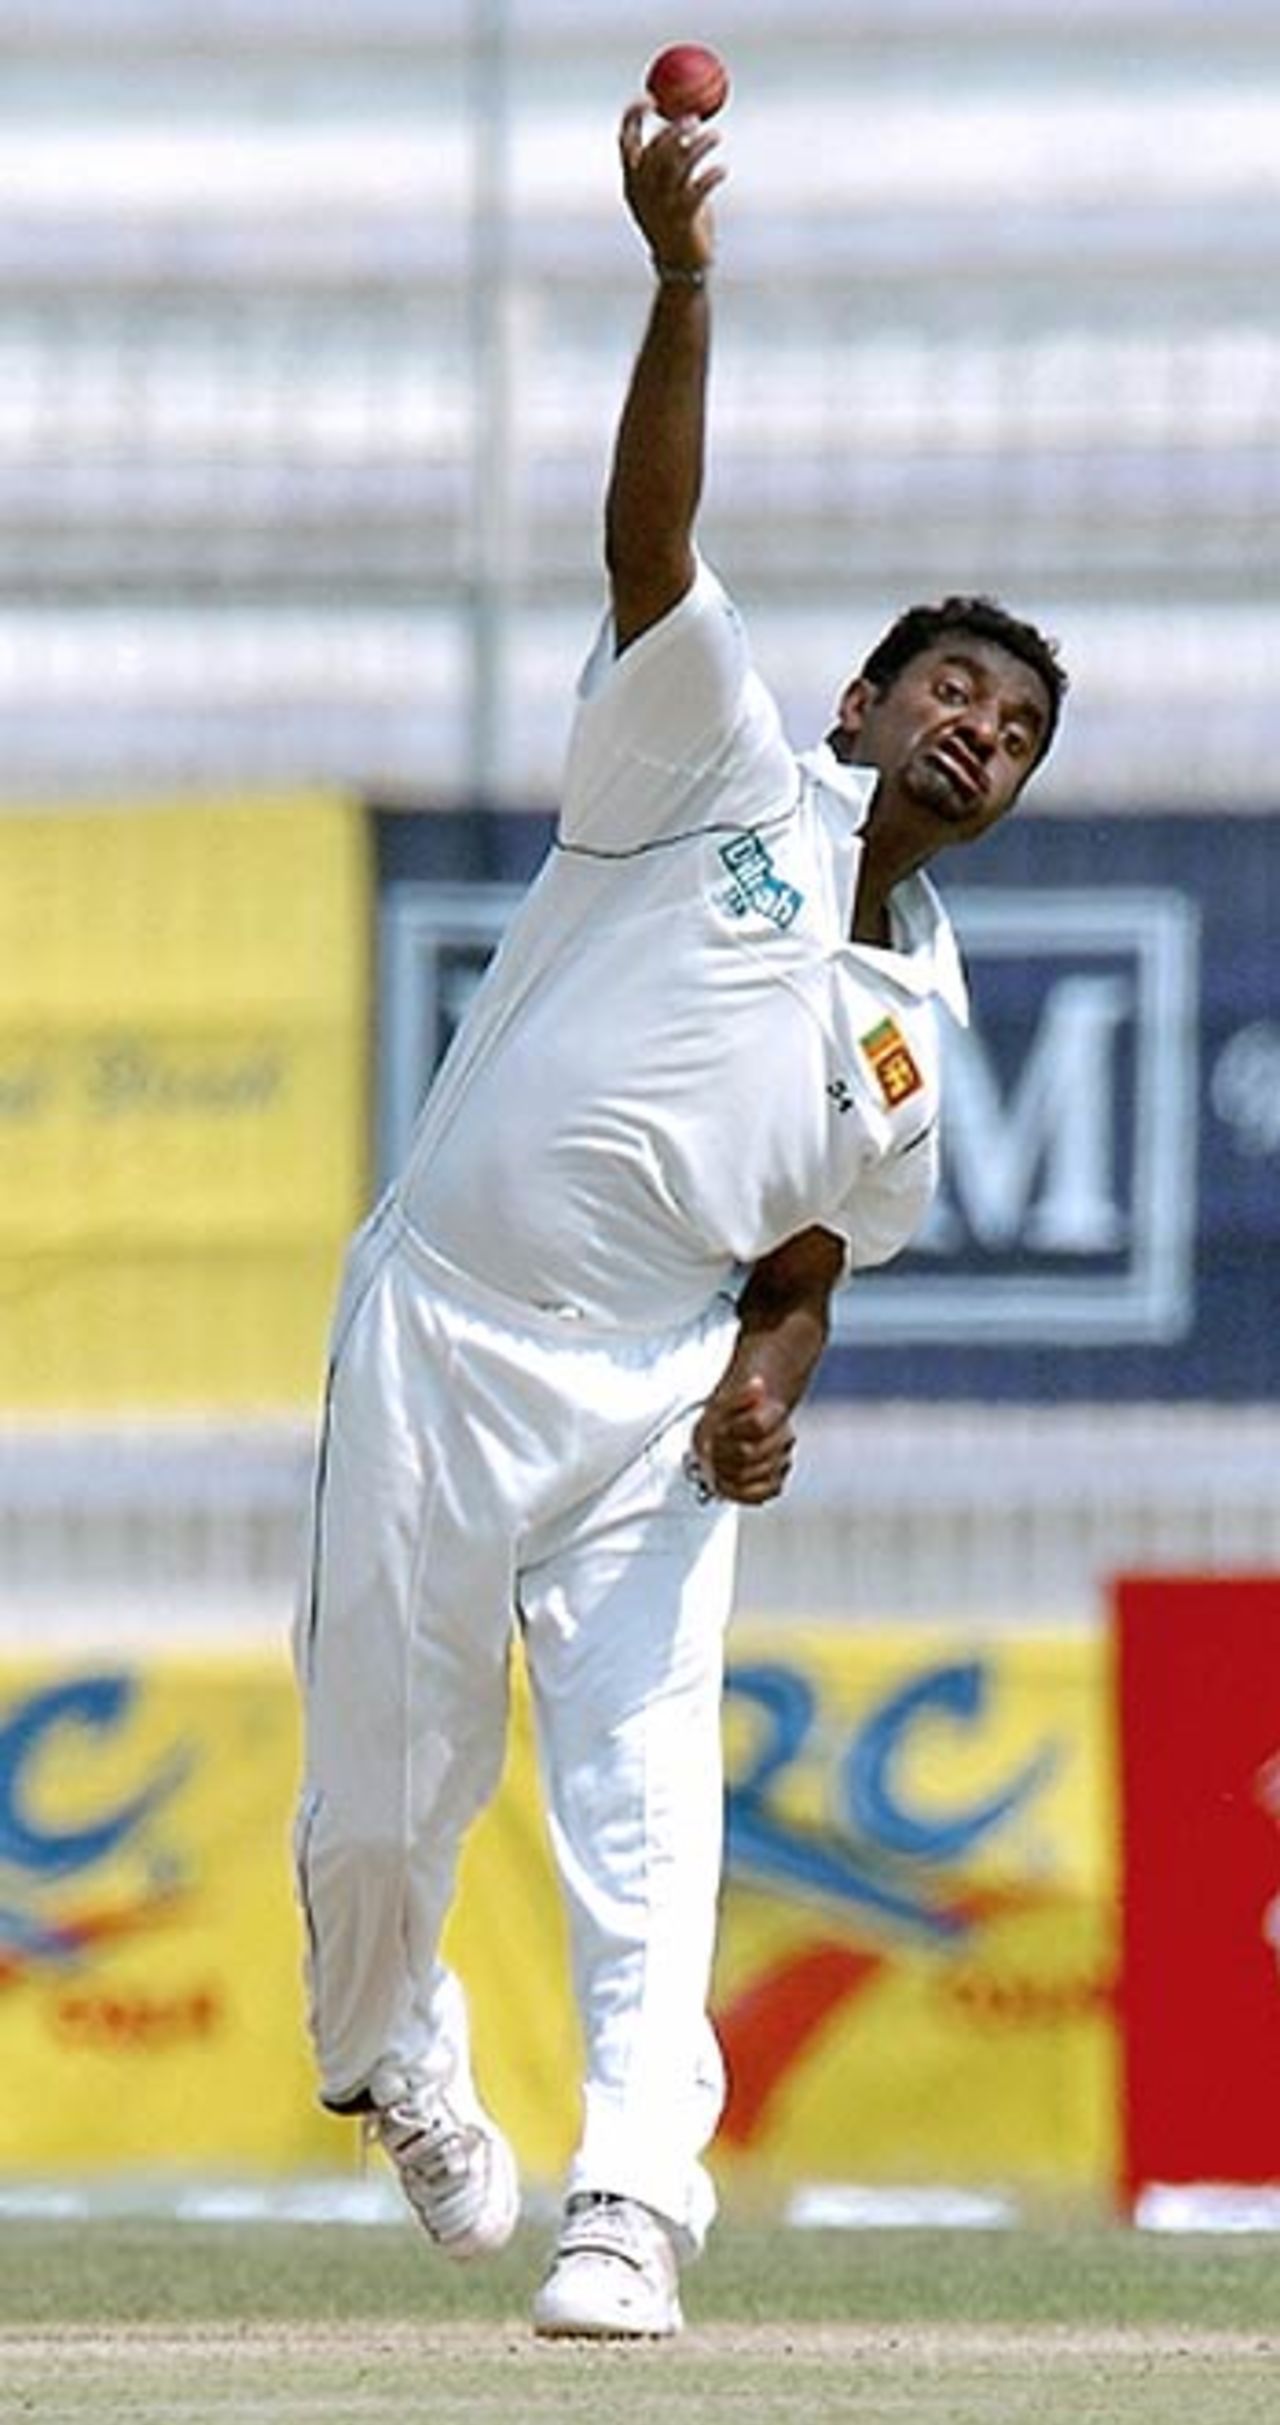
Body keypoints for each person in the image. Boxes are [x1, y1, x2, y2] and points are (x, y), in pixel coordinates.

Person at [292, 95, 1067, 2342]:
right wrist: (680, 279)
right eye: (950, 688)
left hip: (643, 1405)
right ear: (860, 699)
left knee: (647, 1813)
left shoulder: (916, 1023)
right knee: (378, 1811)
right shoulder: (706, 758)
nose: (976, 734)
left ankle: (633, 2194)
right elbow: (650, 539)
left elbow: (815, 1249)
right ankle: (396, 2057)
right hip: (443, 1338)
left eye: (1015, 730)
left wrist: (763, 1377)